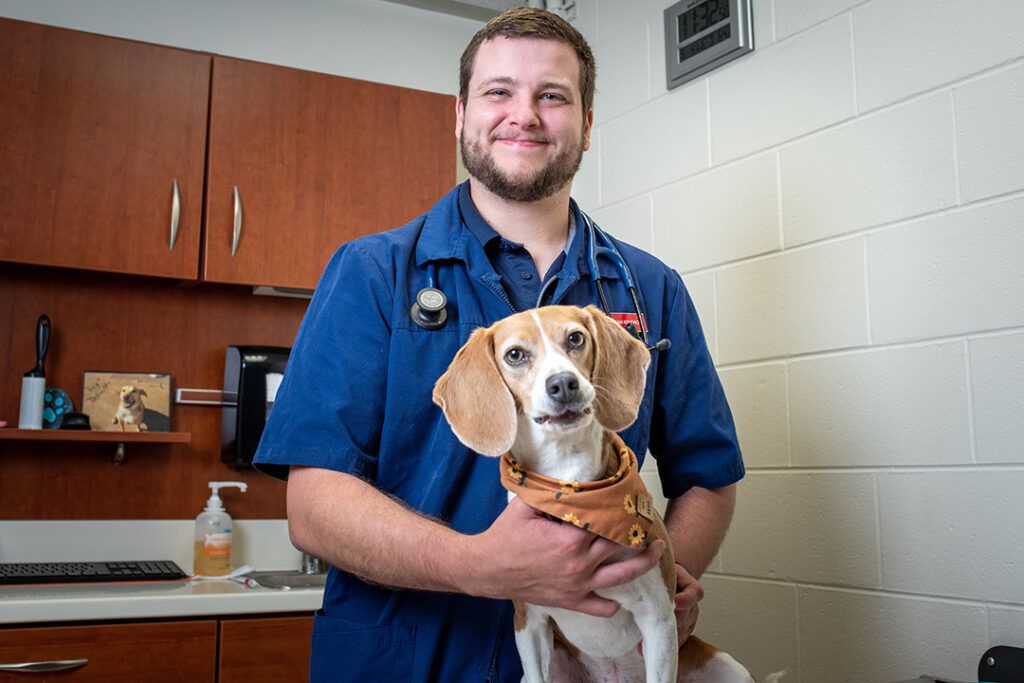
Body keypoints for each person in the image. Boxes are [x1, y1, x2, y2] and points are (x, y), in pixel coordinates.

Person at [254, 8, 744, 681]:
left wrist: (661, 572)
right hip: (409, 660)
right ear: (460, 115)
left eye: (553, 95)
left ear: (587, 124)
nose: (525, 114)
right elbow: (312, 506)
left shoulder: (649, 288)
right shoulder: (372, 273)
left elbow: (709, 478)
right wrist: (481, 566)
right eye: (499, 92)